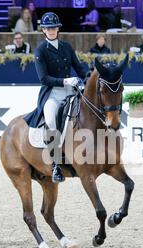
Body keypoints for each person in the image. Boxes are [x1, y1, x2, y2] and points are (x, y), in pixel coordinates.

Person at [30, 12, 87, 183]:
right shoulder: (40, 51)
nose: (52, 30)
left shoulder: (66, 47)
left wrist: (87, 80)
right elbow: (43, 79)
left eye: (54, 27)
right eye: (48, 28)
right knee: (51, 120)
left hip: (71, 91)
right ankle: (55, 165)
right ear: (44, 30)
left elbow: (79, 67)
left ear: (58, 29)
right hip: (52, 94)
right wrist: (65, 80)